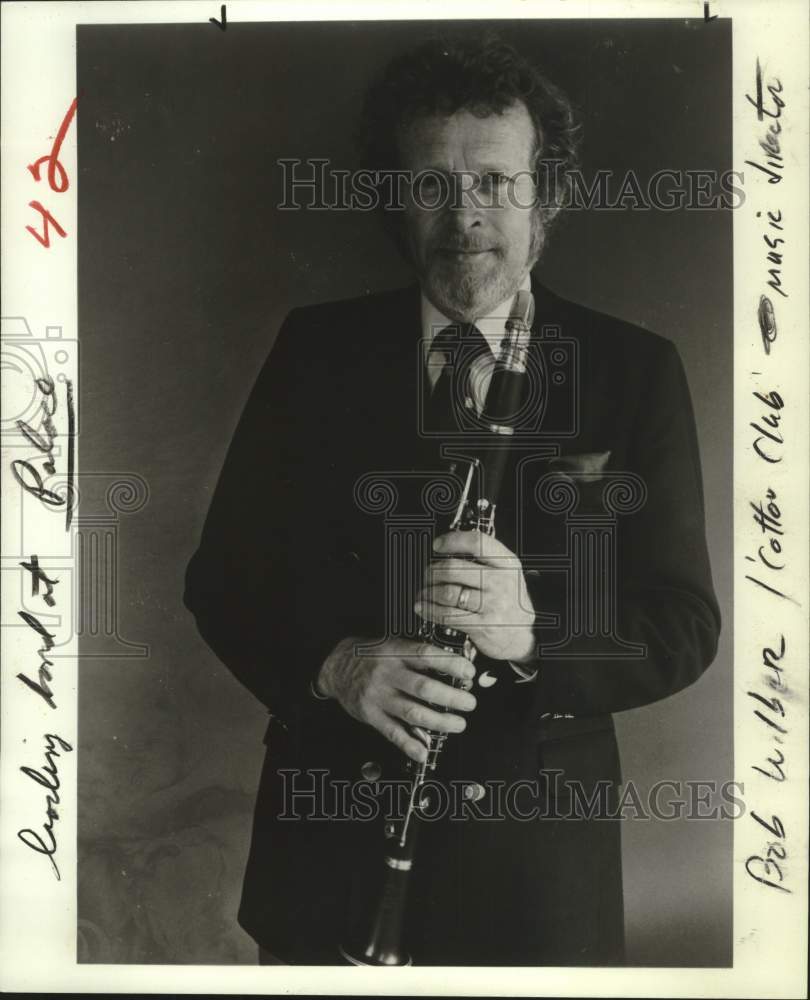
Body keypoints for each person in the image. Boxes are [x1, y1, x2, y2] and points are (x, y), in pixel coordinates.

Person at [184, 34, 720, 966]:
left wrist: (533, 634)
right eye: (432, 183)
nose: (465, 215)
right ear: (396, 198)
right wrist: (336, 665)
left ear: (545, 197)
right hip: (330, 862)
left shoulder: (632, 370)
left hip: (534, 879)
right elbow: (223, 579)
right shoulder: (316, 352)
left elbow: (682, 624)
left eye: (496, 182)